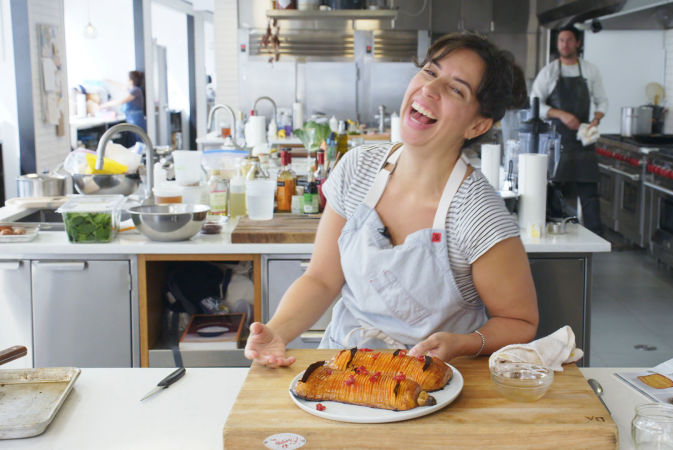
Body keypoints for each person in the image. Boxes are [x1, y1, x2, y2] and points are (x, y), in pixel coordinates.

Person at [245, 32, 539, 367]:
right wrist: (277, 333)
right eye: (430, 72)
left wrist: (463, 343)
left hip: (431, 383)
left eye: (456, 89)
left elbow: (520, 321)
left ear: (477, 125)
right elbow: (322, 279)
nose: (430, 89)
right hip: (343, 368)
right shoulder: (357, 169)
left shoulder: (477, 214)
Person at [530, 25, 608, 236]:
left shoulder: (590, 70)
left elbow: (602, 101)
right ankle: (553, 233)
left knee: (590, 195)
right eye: (561, 40)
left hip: (584, 142)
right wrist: (561, 114)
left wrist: (596, 119)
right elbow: (535, 103)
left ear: (578, 43)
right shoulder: (550, 72)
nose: (565, 44)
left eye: (569, 40)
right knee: (554, 192)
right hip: (558, 142)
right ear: (558, 44)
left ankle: (596, 238)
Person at [101, 70, 146, 146]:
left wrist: (105, 105)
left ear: (131, 81)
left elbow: (122, 101)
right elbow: (121, 86)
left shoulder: (136, 91)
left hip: (136, 119)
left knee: (139, 140)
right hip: (131, 118)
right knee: (134, 140)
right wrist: (109, 81)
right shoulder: (132, 90)